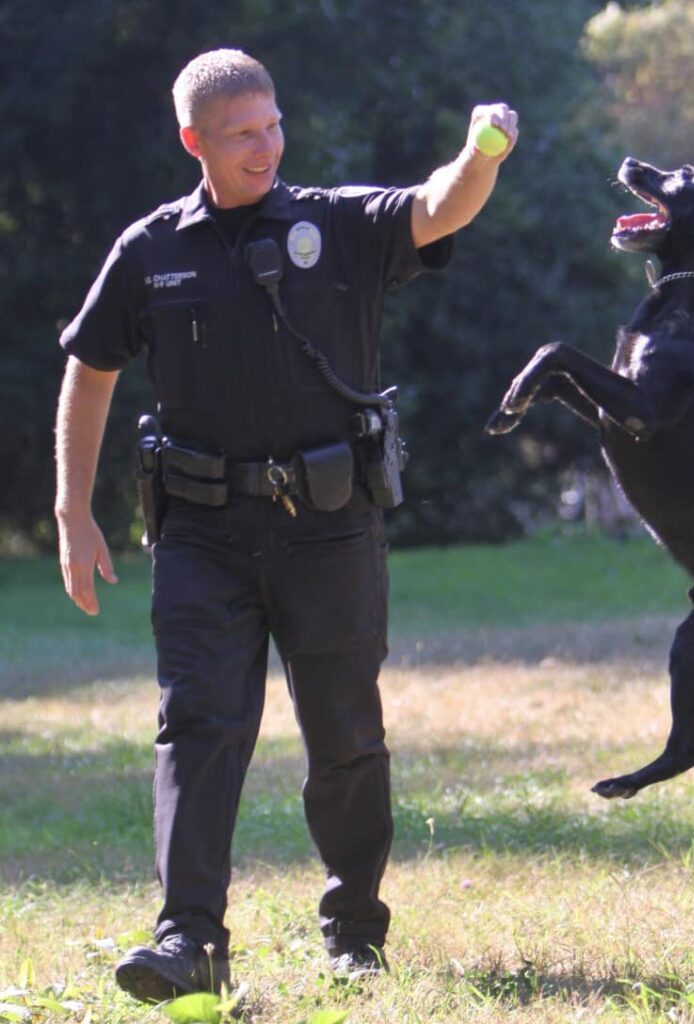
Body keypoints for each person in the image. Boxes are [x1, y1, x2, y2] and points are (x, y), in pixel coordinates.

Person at [54, 48, 517, 1004]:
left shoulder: (338, 224)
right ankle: (188, 940)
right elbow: (90, 369)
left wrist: (483, 153)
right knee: (198, 728)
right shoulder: (152, 250)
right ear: (194, 141)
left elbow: (439, 208)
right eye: (241, 134)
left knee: (345, 734)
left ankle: (354, 930)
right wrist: (72, 509)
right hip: (202, 533)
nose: (265, 146)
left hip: (330, 528)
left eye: (272, 125)